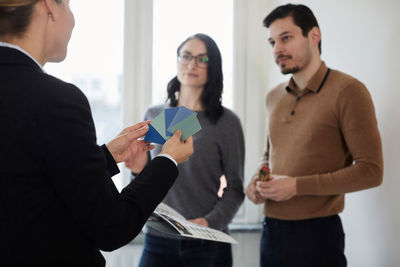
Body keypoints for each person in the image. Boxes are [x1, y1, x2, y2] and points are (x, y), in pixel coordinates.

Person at [0, 0, 194, 266]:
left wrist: (105, 156)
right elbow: (112, 227)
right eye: (69, 5)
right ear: (50, 7)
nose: (73, 19)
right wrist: (167, 160)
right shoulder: (58, 101)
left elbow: (31, 182)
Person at [245, 4, 383, 267]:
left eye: (286, 38)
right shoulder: (273, 96)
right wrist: (257, 181)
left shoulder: (349, 91)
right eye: (272, 42)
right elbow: (269, 155)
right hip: (271, 233)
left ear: (314, 36)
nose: (277, 49)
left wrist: (296, 186)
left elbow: (371, 171)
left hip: (317, 236)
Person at [127, 33, 245, 267]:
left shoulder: (226, 122)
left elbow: (235, 189)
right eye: (187, 56)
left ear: (214, 67)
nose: (192, 64)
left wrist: (209, 222)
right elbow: (146, 182)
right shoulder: (156, 115)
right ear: (178, 60)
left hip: (206, 243)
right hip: (158, 239)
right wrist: (138, 171)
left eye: (202, 59)